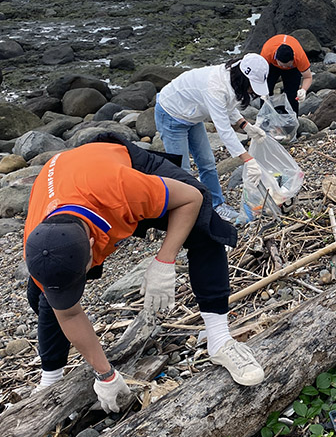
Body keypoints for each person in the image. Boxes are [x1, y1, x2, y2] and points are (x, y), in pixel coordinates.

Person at [24, 136, 265, 413]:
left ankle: (220, 340)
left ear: (93, 245)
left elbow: (191, 199)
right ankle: (50, 379)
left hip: (113, 166)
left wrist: (164, 260)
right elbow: (67, 313)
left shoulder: (125, 189)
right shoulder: (37, 242)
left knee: (204, 224)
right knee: (46, 296)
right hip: (68, 179)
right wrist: (105, 374)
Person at [154, 54, 269, 223]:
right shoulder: (215, 87)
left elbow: (227, 106)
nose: (252, 91)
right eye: (252, 86)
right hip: (171, 114)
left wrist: (246, 126)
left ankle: (217, 205)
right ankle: (188, 214)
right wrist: (248, 160)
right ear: (244, 79)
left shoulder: (232, 78)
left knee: (207, 162)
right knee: (182, 170)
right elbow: (224, 129)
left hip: (192, 114)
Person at [260, 34, 313, 114]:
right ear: (276, 58)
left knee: (292, 95)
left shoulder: (299, 57)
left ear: (293, 59)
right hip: (272, 65)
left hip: (292, 69)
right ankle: (264, 116)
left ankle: (292, 118)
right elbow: (260, 74)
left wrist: (303, 90)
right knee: (266, 91)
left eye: (287, 65)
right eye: (282, 65)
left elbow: (308, 77)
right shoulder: (267, 53)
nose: (284, 67)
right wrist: (261, 90)